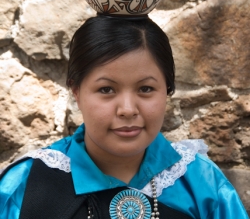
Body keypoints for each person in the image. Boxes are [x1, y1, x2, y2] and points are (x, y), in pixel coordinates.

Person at [0, 15, 249, 219]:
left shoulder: (200, 182)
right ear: (76, 91)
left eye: (146, 89)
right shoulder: (27, 183)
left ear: (168, 91)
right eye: (106, 90)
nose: (128, 109)